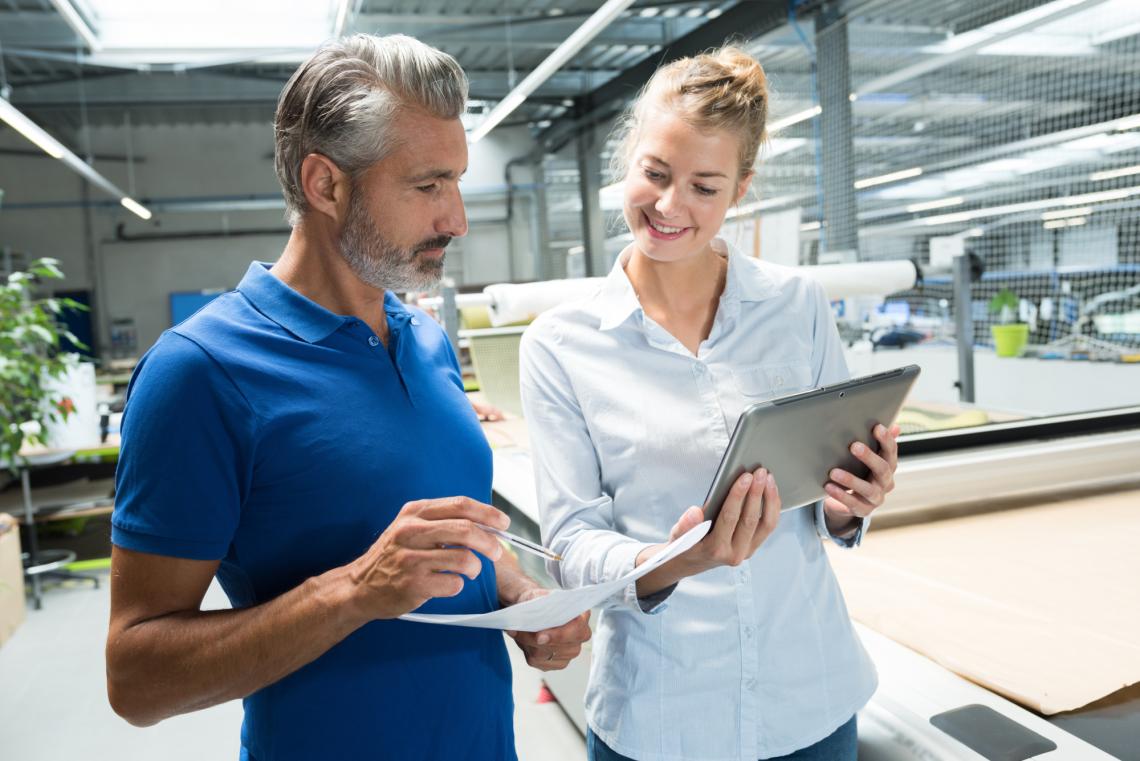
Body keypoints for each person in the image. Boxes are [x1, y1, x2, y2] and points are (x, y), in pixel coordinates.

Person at [105, 34, 589, 761]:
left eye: (456, 181)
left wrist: (519, 596)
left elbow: (458, 544)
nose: (456, 218)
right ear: (325, 184)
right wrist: (354, 590)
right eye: (428, 186)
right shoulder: (200, 372)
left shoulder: (425, 343)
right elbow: (135, 678)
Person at [519, 47, 901, 761]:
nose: (669, 206)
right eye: (655, 174)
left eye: (704, 186)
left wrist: (853, 498)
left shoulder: (797, 308)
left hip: (808, 699)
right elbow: (569, 545)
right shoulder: (560, 345)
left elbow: (825, 503)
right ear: (628, 160)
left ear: (741, 189)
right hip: (664, 715)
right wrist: (669, 561)